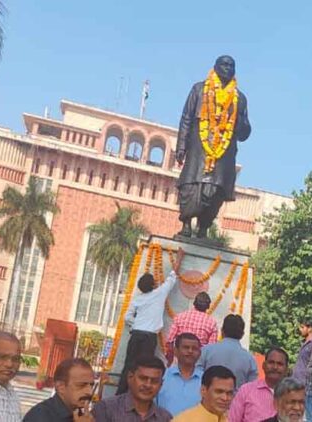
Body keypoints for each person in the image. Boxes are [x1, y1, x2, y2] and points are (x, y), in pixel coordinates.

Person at [175, 55, 252, 239]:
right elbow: (186, 118)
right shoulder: (199, 89)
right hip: (198, 150)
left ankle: (203, 229)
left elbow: (244, 134)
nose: (228, 68)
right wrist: (181, 146)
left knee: (216, 192)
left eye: (232, 65)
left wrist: (239, 120)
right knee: (191, 186)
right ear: (215, 67)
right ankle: (186, 225)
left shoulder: (239, 99)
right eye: (224, 65)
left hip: (224, 157)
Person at [117, 248, 185, 394]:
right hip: (149, 338)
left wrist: (136, 325)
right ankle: (137, 393)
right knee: (144, 367)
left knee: (129, 365)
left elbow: (127, 317)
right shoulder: (159, 293)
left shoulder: (138, 299)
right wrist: (179, 258)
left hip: (136, 335)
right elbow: (172, 276)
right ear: (153, 285)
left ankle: (121, 392)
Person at [93, 355, 171, 422]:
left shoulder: (165, 418)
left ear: (161, 384)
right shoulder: (106, 409)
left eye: (154, 381)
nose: (148, 385)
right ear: (130, 377)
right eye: (143, 378)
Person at [196, 314, 258, 391]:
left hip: (209, 400)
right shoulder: (250, 359)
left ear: (222, 331)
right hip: (236, 401)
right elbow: (251, 389)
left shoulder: (206, 351)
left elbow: (197, 379)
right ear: (242, 335)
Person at [23, 358, 95, 422]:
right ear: (61, 387)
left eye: (91, 385)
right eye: (81, 385)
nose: (89, 392)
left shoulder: (82, 415)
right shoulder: (40, 416)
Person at [228, 347, 289, 422]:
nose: (275, 367)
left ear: (286, 369)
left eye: (280, 364)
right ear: (263, 365)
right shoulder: (246, 391)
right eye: (271, 362)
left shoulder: (294, 395)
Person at [155, 333, 203, 416]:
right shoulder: (162, 377)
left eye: (194, 348)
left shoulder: (206, 380)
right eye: (186, 347)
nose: (190, 351)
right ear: (175, 351)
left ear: (199, 353)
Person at [164, 292, 218, 362]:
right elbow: (211, 349)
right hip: (198, 361)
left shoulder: (180, 317)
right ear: (208, 306)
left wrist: (170, 359)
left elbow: (169, 341)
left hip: (180, 359)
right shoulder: (212, 323)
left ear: (194, 303)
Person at [292, 317, 312, 385]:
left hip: (304, 383)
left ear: (310, 329)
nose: (300, 329)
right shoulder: (303, 343)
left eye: (302, 327)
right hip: (295, 380)